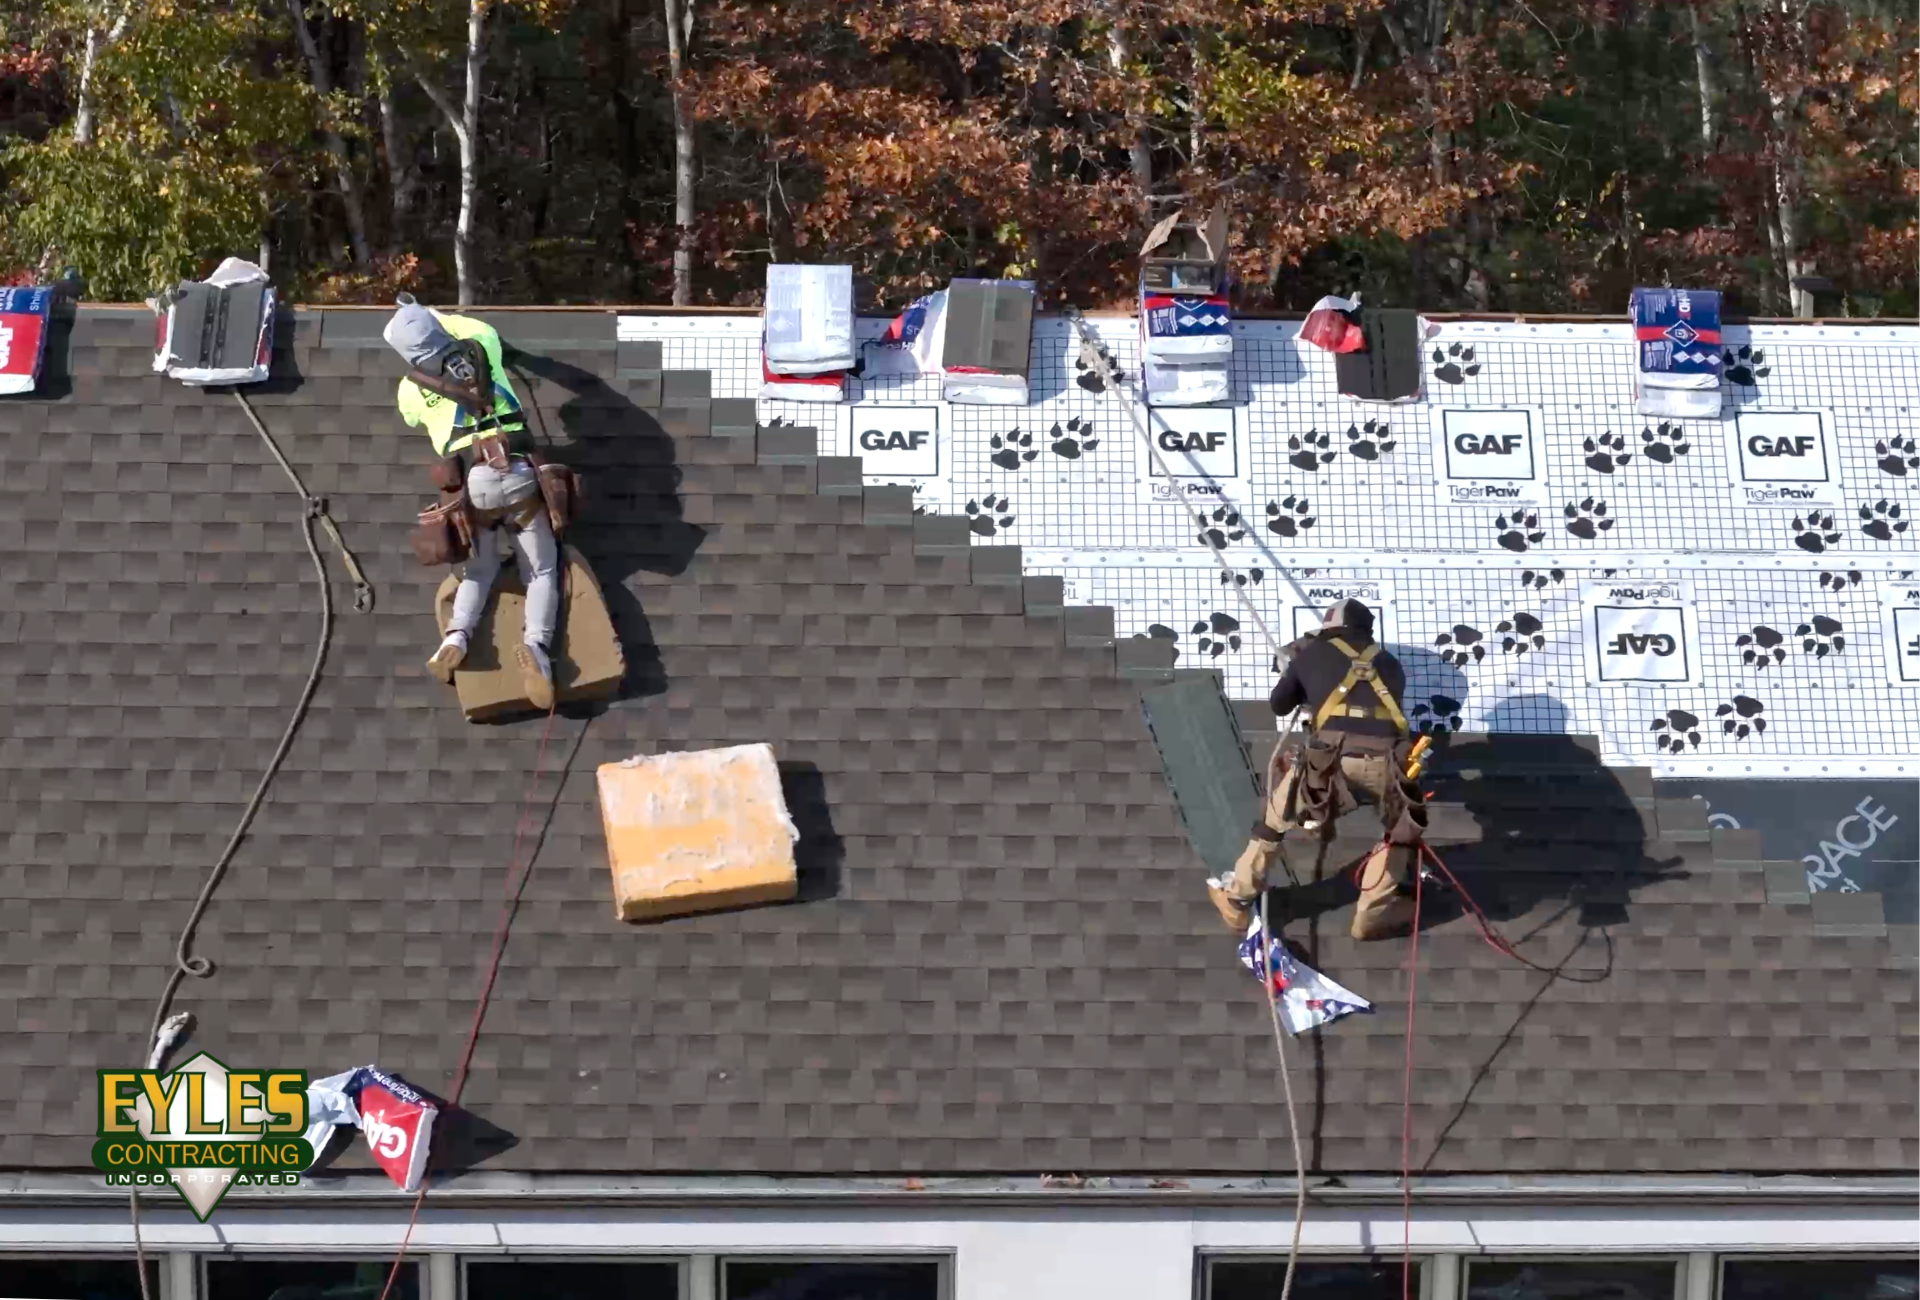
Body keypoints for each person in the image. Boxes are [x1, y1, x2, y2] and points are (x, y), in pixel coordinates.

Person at [1207, 598, 1429, 941]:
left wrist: (1297, 674)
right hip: (1390, 765)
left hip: (1329, 763)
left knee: (1273, 823)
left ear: (1329, 628)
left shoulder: (1311, 654)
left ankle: (1237, 899)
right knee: (1398, 837)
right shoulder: (1390, 664)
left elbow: (1280, 705)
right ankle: (1373, 914)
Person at [384, 296, 559, 710]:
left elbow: (415, 418)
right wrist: (426, 311)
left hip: (473, 489)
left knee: (479, 570)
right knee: (542, 569)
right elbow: (471, 328)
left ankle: (455, 638)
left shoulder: (409, 390)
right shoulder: (480, 341)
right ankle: (536, 647)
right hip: (514, 470)